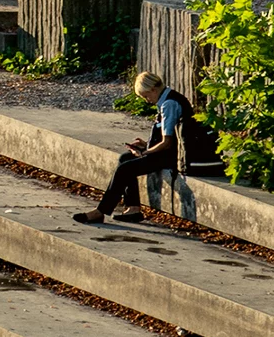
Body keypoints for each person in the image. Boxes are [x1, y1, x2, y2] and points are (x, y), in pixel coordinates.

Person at [74, 72, 215, 225]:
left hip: (172, 156)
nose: (148, 101)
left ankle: (100, 211)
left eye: (147, 96)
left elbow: (167, 143)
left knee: (125, 169)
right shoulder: (167, 100)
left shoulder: (169, 104)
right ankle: (133, 208)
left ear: (154, 89)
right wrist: (146, 144)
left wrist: (145, 152)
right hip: (166, 152)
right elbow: (166, 137)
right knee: (125, 158)